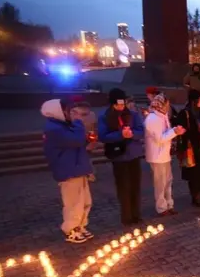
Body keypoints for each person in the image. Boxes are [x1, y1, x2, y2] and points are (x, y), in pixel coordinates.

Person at [42, 98, 95, 243]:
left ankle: (81, 226)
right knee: (73, 203)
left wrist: (88, 140)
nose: (71, 114)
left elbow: (78, 142)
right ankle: (71, 229)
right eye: (67, 110)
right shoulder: (54, 129)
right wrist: (79, 123)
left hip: (78, 168)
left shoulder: (65, 126)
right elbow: (75, 140)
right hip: (68, 170)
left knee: (85, 201)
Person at [98, 88, 145, 226]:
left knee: (135, 186)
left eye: (122, 104)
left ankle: (136, 214)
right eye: (117, 105)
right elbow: (103, 136)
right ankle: (127, 217)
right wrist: (120, 135)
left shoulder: (133, 114)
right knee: (123, 187)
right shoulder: (105, 117)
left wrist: (132, 134)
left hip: (134, 154)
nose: (120, 107)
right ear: (112, 104)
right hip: (118, 156)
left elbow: (141, 130)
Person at [144, 93, 185, 216]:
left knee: (168, 181)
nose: (168, 107)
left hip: (164, 155)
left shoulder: (162, 116)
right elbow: (160, 139)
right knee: (160, 183)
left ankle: (169, 204)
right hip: (157, 156)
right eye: (166, 104)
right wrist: (174, 131)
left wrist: (174, 131)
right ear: (160, 105)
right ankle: (161, 208)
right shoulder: (152, 119)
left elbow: (166, 134)